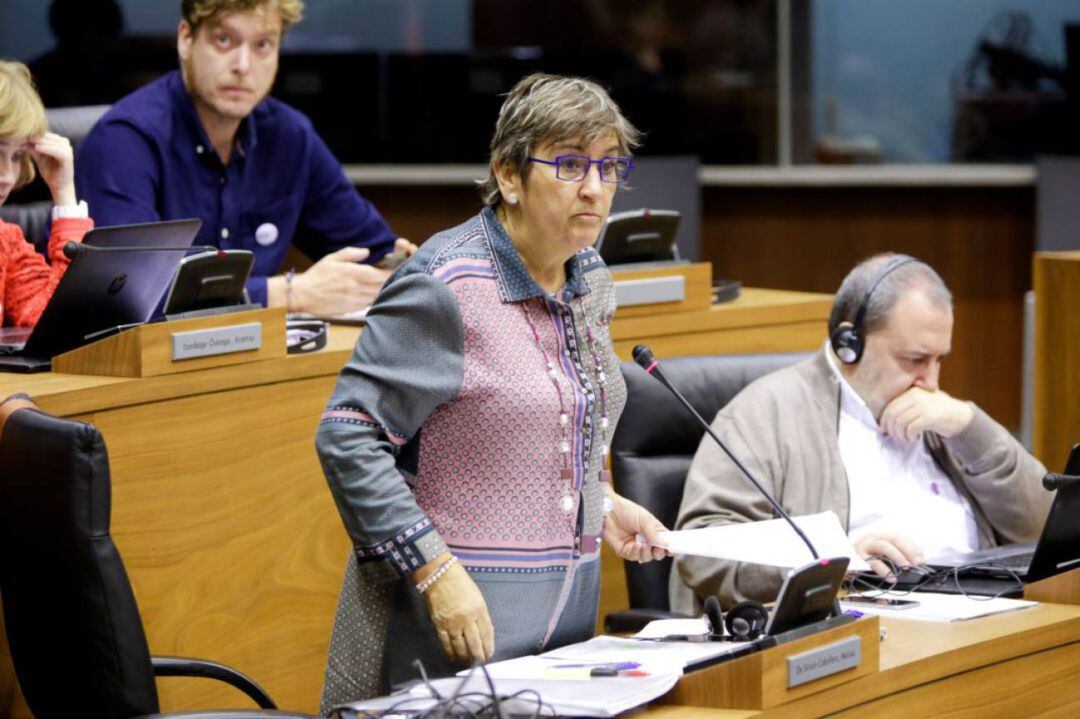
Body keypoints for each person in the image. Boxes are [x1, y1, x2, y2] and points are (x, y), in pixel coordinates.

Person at [315, 73, 669, 705]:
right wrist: (436, 572)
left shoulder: (590, 278)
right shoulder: (445, 286)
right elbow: (349, 436)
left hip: (563, 637)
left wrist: (602, 502)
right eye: (568, 164)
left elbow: (557, 417)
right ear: (508, 175)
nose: (594, 188)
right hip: (451, 635)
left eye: (609, 167)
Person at [670, 254, 1052, 613]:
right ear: (848, 344)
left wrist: (969, 426)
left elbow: (1041, 525)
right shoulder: (763, 414)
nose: (932, 381)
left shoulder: (941, 418)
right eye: (915, 360)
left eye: (940, 360)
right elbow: (702, 551)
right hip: (858, 633)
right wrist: (839, 559)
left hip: (983, 614)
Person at [75, 0, 413, 314]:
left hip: (253, 360)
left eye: (262, 45)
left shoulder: (289, 136)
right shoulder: (124, 141)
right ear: (186, 39)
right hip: (140, 368)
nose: (243, 66)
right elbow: (125, 294)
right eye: (224, 41)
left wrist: (399, 265)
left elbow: (375, 251)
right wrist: (287, 294)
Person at [0, 61, 92, 328]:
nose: (7, 175)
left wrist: (63, 192)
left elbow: (58, 321)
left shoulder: (5, 241)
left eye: (17, 156)